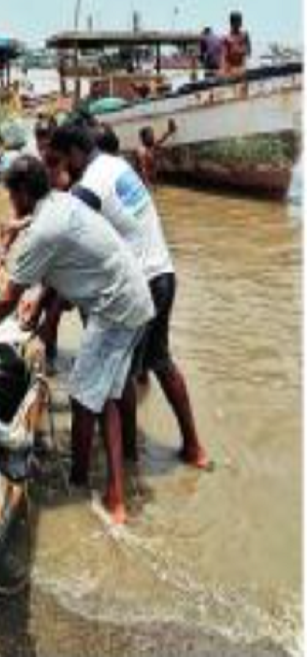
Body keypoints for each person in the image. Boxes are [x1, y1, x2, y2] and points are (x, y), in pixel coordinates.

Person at [0, 156, 154, 524]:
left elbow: (7, 299)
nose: (11, 203)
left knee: (86, 400)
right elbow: (47, 237)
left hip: (115, 310)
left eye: (11, 195)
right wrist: (15, 231)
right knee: (104, 399)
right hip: (134, 298)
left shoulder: (43, 232)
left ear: (24, 192)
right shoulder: (61, 200)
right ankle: (106, 486)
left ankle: (87, 487)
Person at [46, 124, 208, 471]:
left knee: (119, 379)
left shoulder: (90, 182)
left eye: (61, 162)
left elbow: (63, 236)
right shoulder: (117, 165)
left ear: (75, 153)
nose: (61, 170)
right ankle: (194, 449)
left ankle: (129, 459)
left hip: (139, 286)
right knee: (161, 362)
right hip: (164, 273)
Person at [137, 119, 177, 187]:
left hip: (152, 180)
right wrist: (147, 182)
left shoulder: (152, 146)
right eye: (150, 135)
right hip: (146, 182)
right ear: (144, 138)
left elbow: (162, 139)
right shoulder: (142, 150)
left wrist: (169, 131)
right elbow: (142, 168)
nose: (153, 136)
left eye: (152, 134)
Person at [221, 10, 251, 79]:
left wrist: (238, 50)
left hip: (242, 70)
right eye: (239, 21)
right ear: (232, 23)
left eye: (241, 20)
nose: (241, 23)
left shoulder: (245, 35)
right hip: (231, 71)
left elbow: (248, 52)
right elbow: (224, 57)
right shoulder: (226, 39)